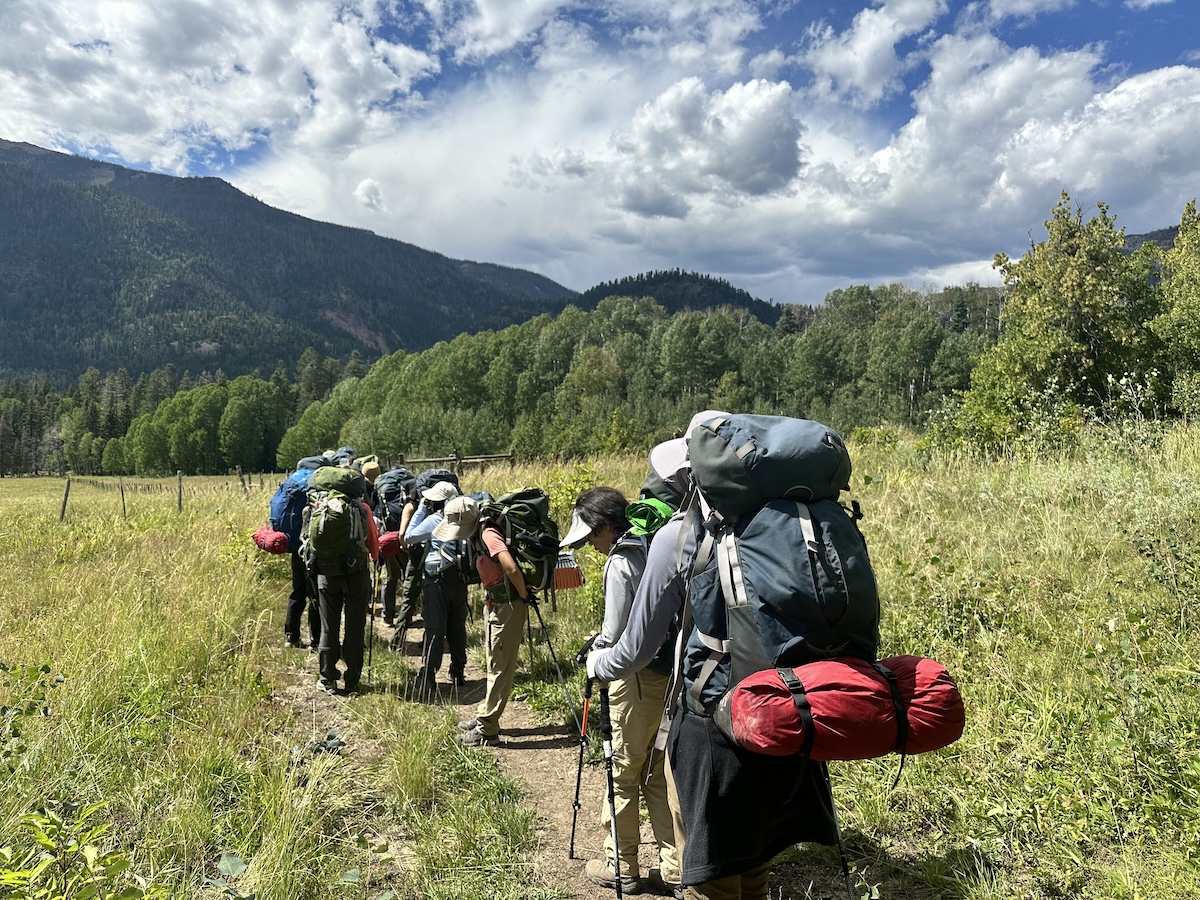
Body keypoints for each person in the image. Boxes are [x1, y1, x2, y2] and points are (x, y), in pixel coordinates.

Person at [587, 412, 838, 900]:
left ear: (692, 476)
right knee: (755, 859)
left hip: (713, 722)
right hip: (787, 707)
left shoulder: (678, 537)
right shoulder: (788, 526)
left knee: (711, 878)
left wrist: (597, 664)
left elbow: (635, 649)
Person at [561, 487, 680, 896]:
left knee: (623, 772)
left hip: (634, 679)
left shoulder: (620, 562)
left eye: (592, 536)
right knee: (658, 773)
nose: (592, 546)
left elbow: (615, 635)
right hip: (669, 675)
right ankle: (675, 869)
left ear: (606, 526)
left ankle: (621, 865)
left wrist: (595, 655)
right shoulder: (656, 544)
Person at [457, 504, 535, 747]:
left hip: (507, 607)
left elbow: (510, 567)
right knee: (494, 663)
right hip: (497, 605)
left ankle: (487, 729)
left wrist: (524, 596)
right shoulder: (481, 533)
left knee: (500, 667)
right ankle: (485, 714)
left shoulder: (488, 534)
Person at [404, 483, 475, 693]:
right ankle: (458, 670)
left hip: (436, 580)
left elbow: (408, 537)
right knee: (457, 625)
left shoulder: (436, 519)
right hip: (460, 579)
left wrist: (421, 508)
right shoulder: (468, 520)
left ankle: (428, 674)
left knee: (434, 627)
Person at [315, 477, 380, 696]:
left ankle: (327, 678)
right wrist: (372, 556)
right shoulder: (362, 509)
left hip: (327, 573)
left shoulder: (319, 506)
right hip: (356, 574)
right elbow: (374, 546)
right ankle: (352, 681)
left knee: (328, 626)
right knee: (354, 627)